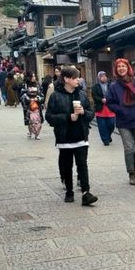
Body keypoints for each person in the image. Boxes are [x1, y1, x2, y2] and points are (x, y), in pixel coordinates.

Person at [45, 65, 98, 206]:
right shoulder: (56, 96)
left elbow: (90, 113)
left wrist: (82, 113)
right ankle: (69, 191)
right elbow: (49, 117)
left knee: (82, 165)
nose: (78, 80)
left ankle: (86, 193)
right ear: (66, 79)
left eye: (78, 77)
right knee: (67, 165)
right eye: (75, 78)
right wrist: (68, 117)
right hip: (65, 137)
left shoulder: (81, 94)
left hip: (81, 135)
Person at [106, 58, 135, 185]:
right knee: (129, 148)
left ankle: (132, 165)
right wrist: (121, 110)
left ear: (128, 67)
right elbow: (110, 102)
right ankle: (131, 173)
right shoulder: (114, 86)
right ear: (116, 70)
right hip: (123, 121)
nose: (121, 68)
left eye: (123, 66)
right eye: (119, 67)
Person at [90, 71, 116, 145]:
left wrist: (109, 99)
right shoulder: (95, 87)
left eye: (105, 76)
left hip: (110, 108)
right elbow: (94, 96)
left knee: (111, 124)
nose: (104, 77)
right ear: (99, 78)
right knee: (102, 126)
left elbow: (114, 95)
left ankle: (108, 135)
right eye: (102, 76)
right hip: (100, 108)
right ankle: (105, 140)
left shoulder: (111, 86)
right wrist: (101, 100)